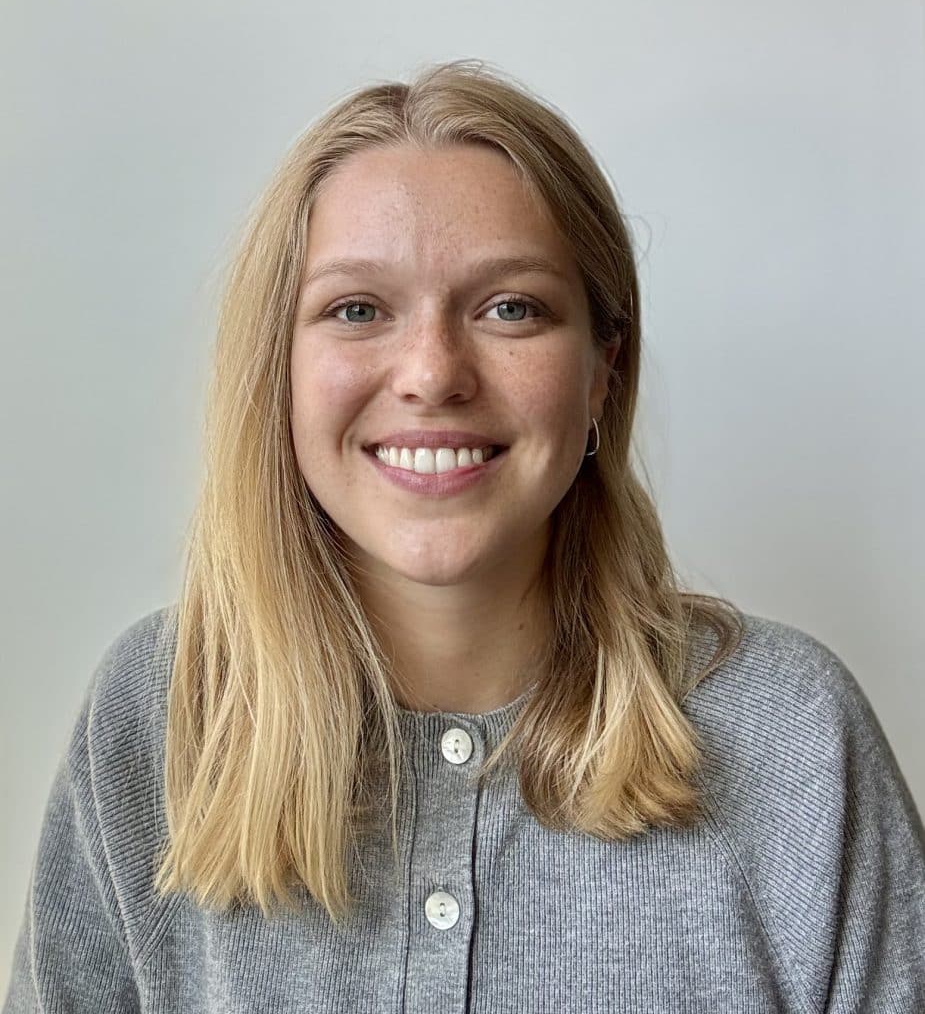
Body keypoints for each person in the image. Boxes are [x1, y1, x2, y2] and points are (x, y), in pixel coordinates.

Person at [4, 58, 924, 1013]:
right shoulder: (158, 715)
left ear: (602, 370)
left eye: (509, 308)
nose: (432, 374)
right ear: (277, 366)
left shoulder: (795, 739)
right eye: (356, 310)